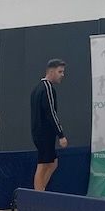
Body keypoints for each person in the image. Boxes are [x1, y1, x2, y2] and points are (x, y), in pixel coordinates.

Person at [30, 59, 67, 191]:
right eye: (60, 72)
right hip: (44, 134)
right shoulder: (47, 88)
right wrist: (61, 135)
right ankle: (37, 195)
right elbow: (51, 112)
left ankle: (41, 190)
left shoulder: (37, 88)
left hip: (40, 133)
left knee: (53, 163)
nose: (62, 75)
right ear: (51, 72)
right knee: (43, 165)